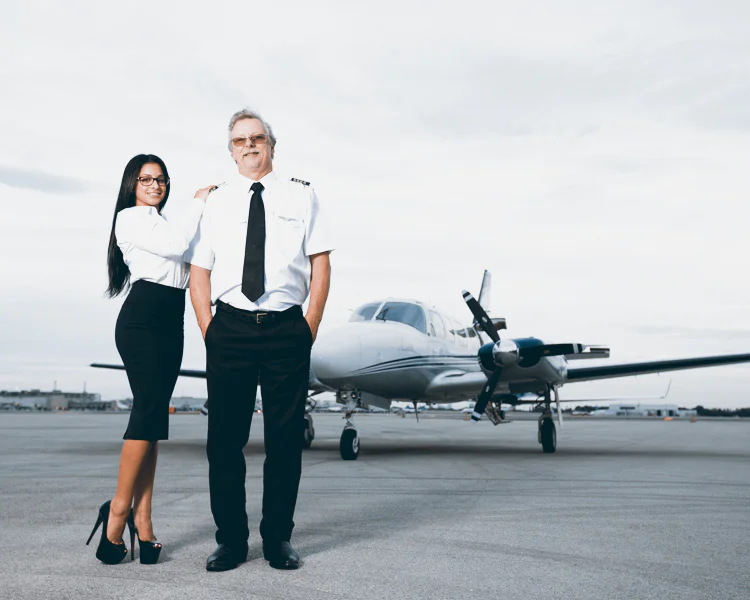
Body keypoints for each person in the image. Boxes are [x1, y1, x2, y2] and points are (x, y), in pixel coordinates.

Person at [187, 109, 334, 571]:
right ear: (230, 150)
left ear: (272, 144)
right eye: (239, 141)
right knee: (224, 442)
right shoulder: (215, 202)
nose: (249, 146)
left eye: (257, 138)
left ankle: (277, 540)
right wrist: (209, 329)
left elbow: (321, 263)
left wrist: (308, 325)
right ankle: (231, 541)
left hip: (286, 329)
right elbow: (199, 271)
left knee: (284, 441)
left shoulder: (303, 196)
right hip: (228, 328)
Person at [86, 154, 216, 565]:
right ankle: (117, 513)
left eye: (160, 179)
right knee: (146, 413)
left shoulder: (163, 222)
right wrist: (199, 201)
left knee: (155, 419)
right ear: (132, 184)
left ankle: (143, 518)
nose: (155, 185)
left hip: (171, 322)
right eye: (146, 179)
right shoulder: (130, 218)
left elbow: (194, 260)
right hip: (142, 320)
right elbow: (179, 246)